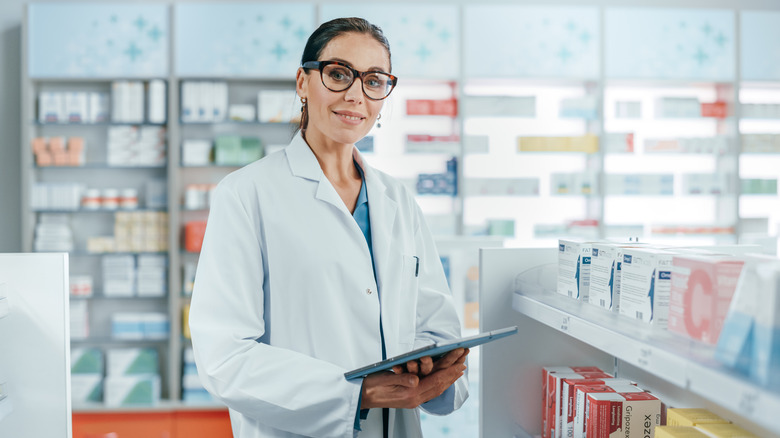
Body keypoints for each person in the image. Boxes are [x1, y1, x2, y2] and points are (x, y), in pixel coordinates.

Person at [189, 17, 469, 438]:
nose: (356, 95)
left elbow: (433, 320)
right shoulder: (246, 194)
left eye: (374, 81)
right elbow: (225, 357)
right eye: (338, 75)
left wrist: (432, 364)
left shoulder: (397, 201)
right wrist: (358, 392)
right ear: (303, 82)